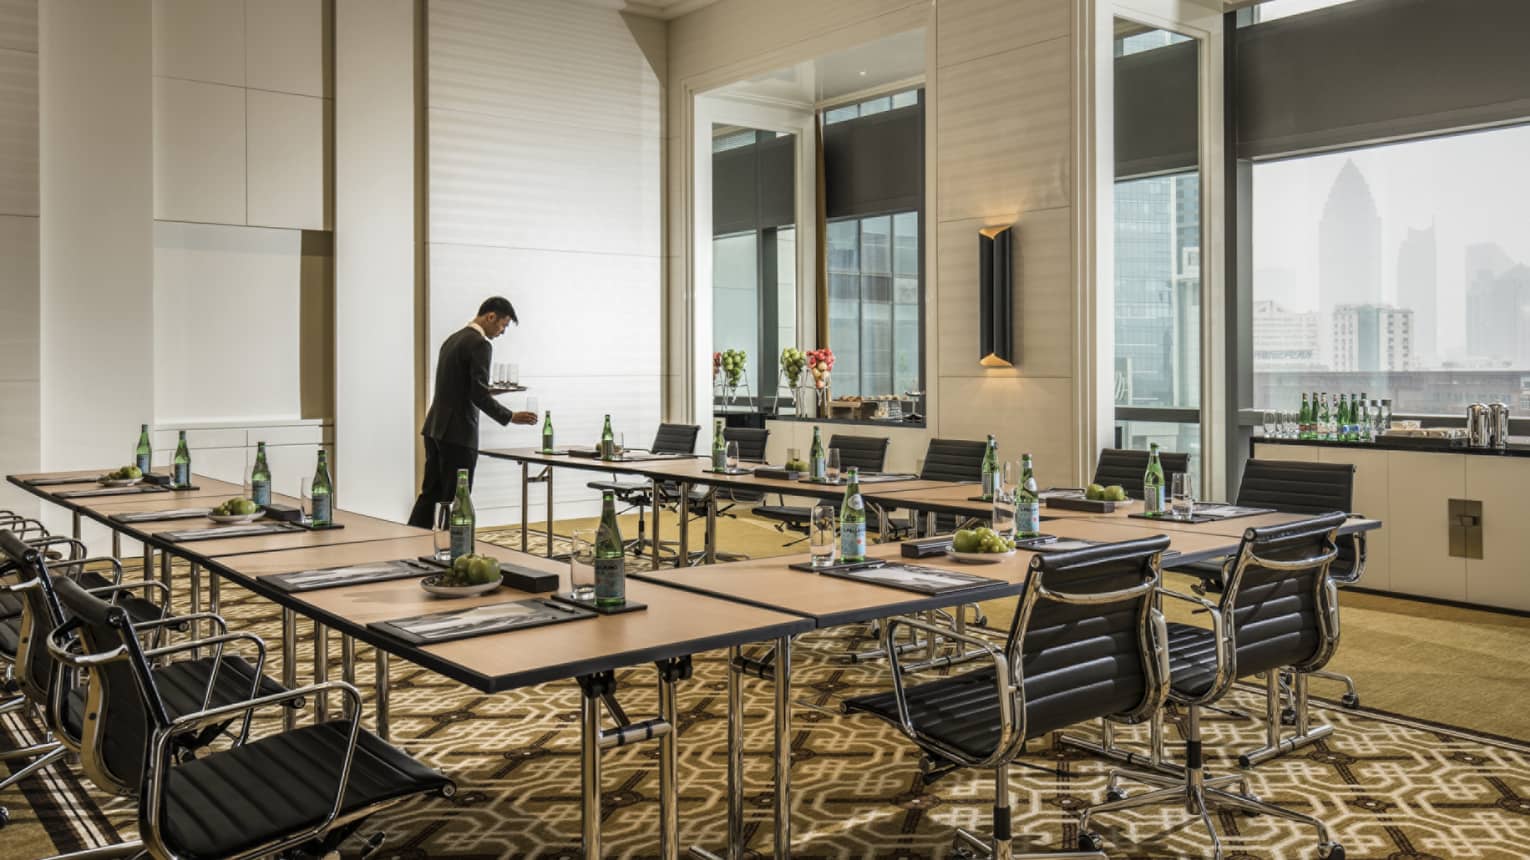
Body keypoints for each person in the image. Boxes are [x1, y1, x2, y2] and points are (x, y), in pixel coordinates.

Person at [408, 296, 536, 528]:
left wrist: (489, 393)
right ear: (490, 316)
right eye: (503, 325)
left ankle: (412, 546)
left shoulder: (452, 340)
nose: (502, 331)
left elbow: (461, 387)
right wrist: (510, 416)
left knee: (430, 494)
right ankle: (451, 552)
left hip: (435, 427)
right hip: (458, 433)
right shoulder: (480, 344)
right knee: (458, 499)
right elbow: (477, 395)